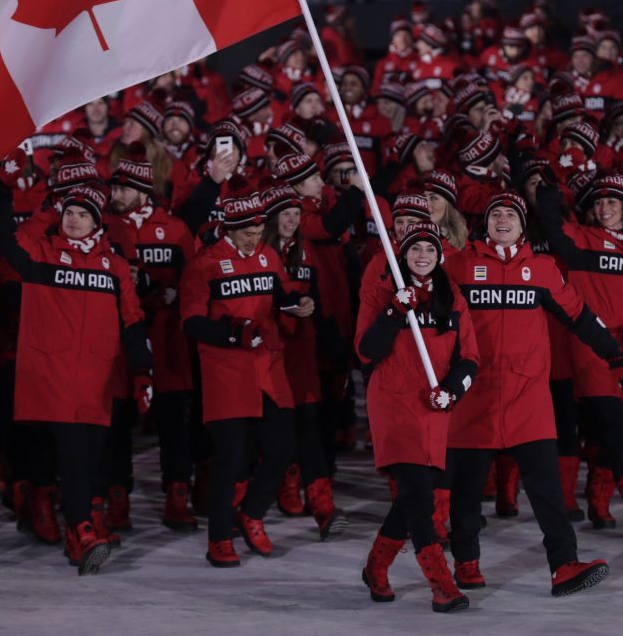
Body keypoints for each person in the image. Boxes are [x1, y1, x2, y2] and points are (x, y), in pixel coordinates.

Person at [444, 192, 613, 596]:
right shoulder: (459, 265)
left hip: (528, 397)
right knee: (467, 488)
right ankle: (466, 563)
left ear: (522, 226)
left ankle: (564, 565)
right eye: (495, 214)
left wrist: (613, 352)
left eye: (511, 215)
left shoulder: (542, 268)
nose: (502, 220)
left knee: (546, 488)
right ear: (485, 223)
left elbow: (577, 314)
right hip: (475, 394)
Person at [0, 164, 153, 575]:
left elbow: (133, 320)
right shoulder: (41, 254)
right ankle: (82, 530)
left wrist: (142, 371)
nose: (73, 220)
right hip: (54, 378)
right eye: (68, 213)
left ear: (98, 222)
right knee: (75, 454)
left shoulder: (114, 267)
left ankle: (81, 526)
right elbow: (3, 236)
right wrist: (5, 188)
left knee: (93, 456)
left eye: (82, 214)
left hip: (98, 380)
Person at [178, 183, 315, 568]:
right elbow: (190, 322)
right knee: (230, 459)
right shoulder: (204, 264)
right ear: (229, 229)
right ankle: (219, 537)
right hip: (227, 372)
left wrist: (297, 303)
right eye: (248, 233)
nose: (255, 239)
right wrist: (232, 332)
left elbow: (279, 296)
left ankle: (252, 512)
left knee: (283, 447)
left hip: (268, 368)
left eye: (258, 231)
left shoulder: (267, 255)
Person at [536, 173, 623, 538]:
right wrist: (549, 191)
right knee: (615, 430)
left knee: (613, 432)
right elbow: (551, 226)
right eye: (598, 203)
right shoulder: (582, 240)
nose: (604, 209)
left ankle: (598, 503)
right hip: (595, 349)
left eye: (612, 202)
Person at [357, 222, 478, 613]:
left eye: (429, 249)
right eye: (414, 249)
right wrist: (394, 312)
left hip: (434, 406)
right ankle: (442, 585)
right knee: (420, 499)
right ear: (403, 255)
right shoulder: (382, 293)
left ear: (439, 256)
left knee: (412, 498)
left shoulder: (452, 297)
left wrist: (453, 391)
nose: (422, 256)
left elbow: (470, 359)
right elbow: (366, 351)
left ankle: (376, 566)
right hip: (393, 404)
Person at [108, 150, 197, 530]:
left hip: (166, 342)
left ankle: (177, 496)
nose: (114, 194)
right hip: (120, 343)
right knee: (117, 425)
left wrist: (173, 295)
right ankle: (117, 499)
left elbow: (193, 281)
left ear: (143, 190)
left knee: (175, 425)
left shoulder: (175, 229)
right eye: (113, 187)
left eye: (122, 188)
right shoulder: (105, 227)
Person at [261, 182, 347, 540]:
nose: (292, 221)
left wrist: (338, 352)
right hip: (268, 354)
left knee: (310, 428)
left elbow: (320, 300)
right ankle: (282, 486)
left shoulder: (307, 250)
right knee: (278, 432)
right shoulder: (260, 252)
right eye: (286, 214)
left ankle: (323, 507)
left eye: (297, 214)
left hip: (303, 352)